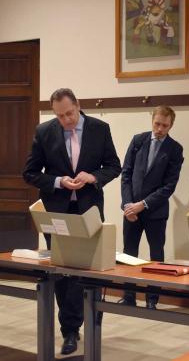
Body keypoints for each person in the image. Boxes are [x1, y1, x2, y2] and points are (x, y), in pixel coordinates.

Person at [23, 88, 121, 355]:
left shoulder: (100, 128)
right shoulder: (45, 131)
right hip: (57, 211)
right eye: (60, 116)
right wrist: (57, 181)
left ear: (78, 105)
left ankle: (83, 320)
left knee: (85, 269)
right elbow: (30, 173)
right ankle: (69, 330)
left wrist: (93, 177)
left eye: (69, 113)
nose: (66, 120)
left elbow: (114, 166)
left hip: (88, 210)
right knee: (62, 271)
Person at [120, 105, 184, 309]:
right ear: (152, 120)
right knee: (129, 253)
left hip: (155, 212)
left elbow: (169, 186)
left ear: (171, 125)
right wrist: (128, 205)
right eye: (157, 123)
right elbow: (126, 174)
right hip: (131, 211)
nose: (159, 129)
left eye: (164, 126)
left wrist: (143, 205)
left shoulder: (175, 149)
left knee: (156, 255)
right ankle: (128, 295)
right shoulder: (138, 141)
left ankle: (152, 299)